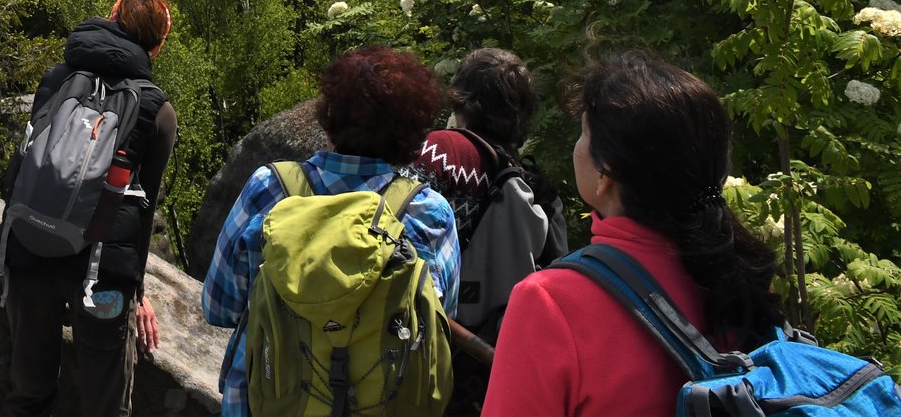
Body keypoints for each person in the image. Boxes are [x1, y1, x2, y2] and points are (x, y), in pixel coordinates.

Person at [483, 49, 782, 416]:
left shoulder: (550, 303)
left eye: (584, 134)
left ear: (605, 170)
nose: (577, 147)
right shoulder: (742, 279)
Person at [202, 45, 462, 417]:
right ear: (411, 132)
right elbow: (438, 324)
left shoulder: (270, 188)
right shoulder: (429, 213)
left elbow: (218, 306)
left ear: (328, 116)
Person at [0, 0, 179, 417]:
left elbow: (22, 166)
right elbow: (143, 209)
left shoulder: (57, 78)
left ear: (111, 18)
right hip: (102, 270)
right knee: (105, 403)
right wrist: (137, 291)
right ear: (157, 44)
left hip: (28, 251)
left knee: (28, 393)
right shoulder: (157, 109)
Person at [410, 48, 567, 413]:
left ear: (461, 98)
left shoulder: (435, 152)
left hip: (431, 348)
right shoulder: (532, 183)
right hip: (499, 361)